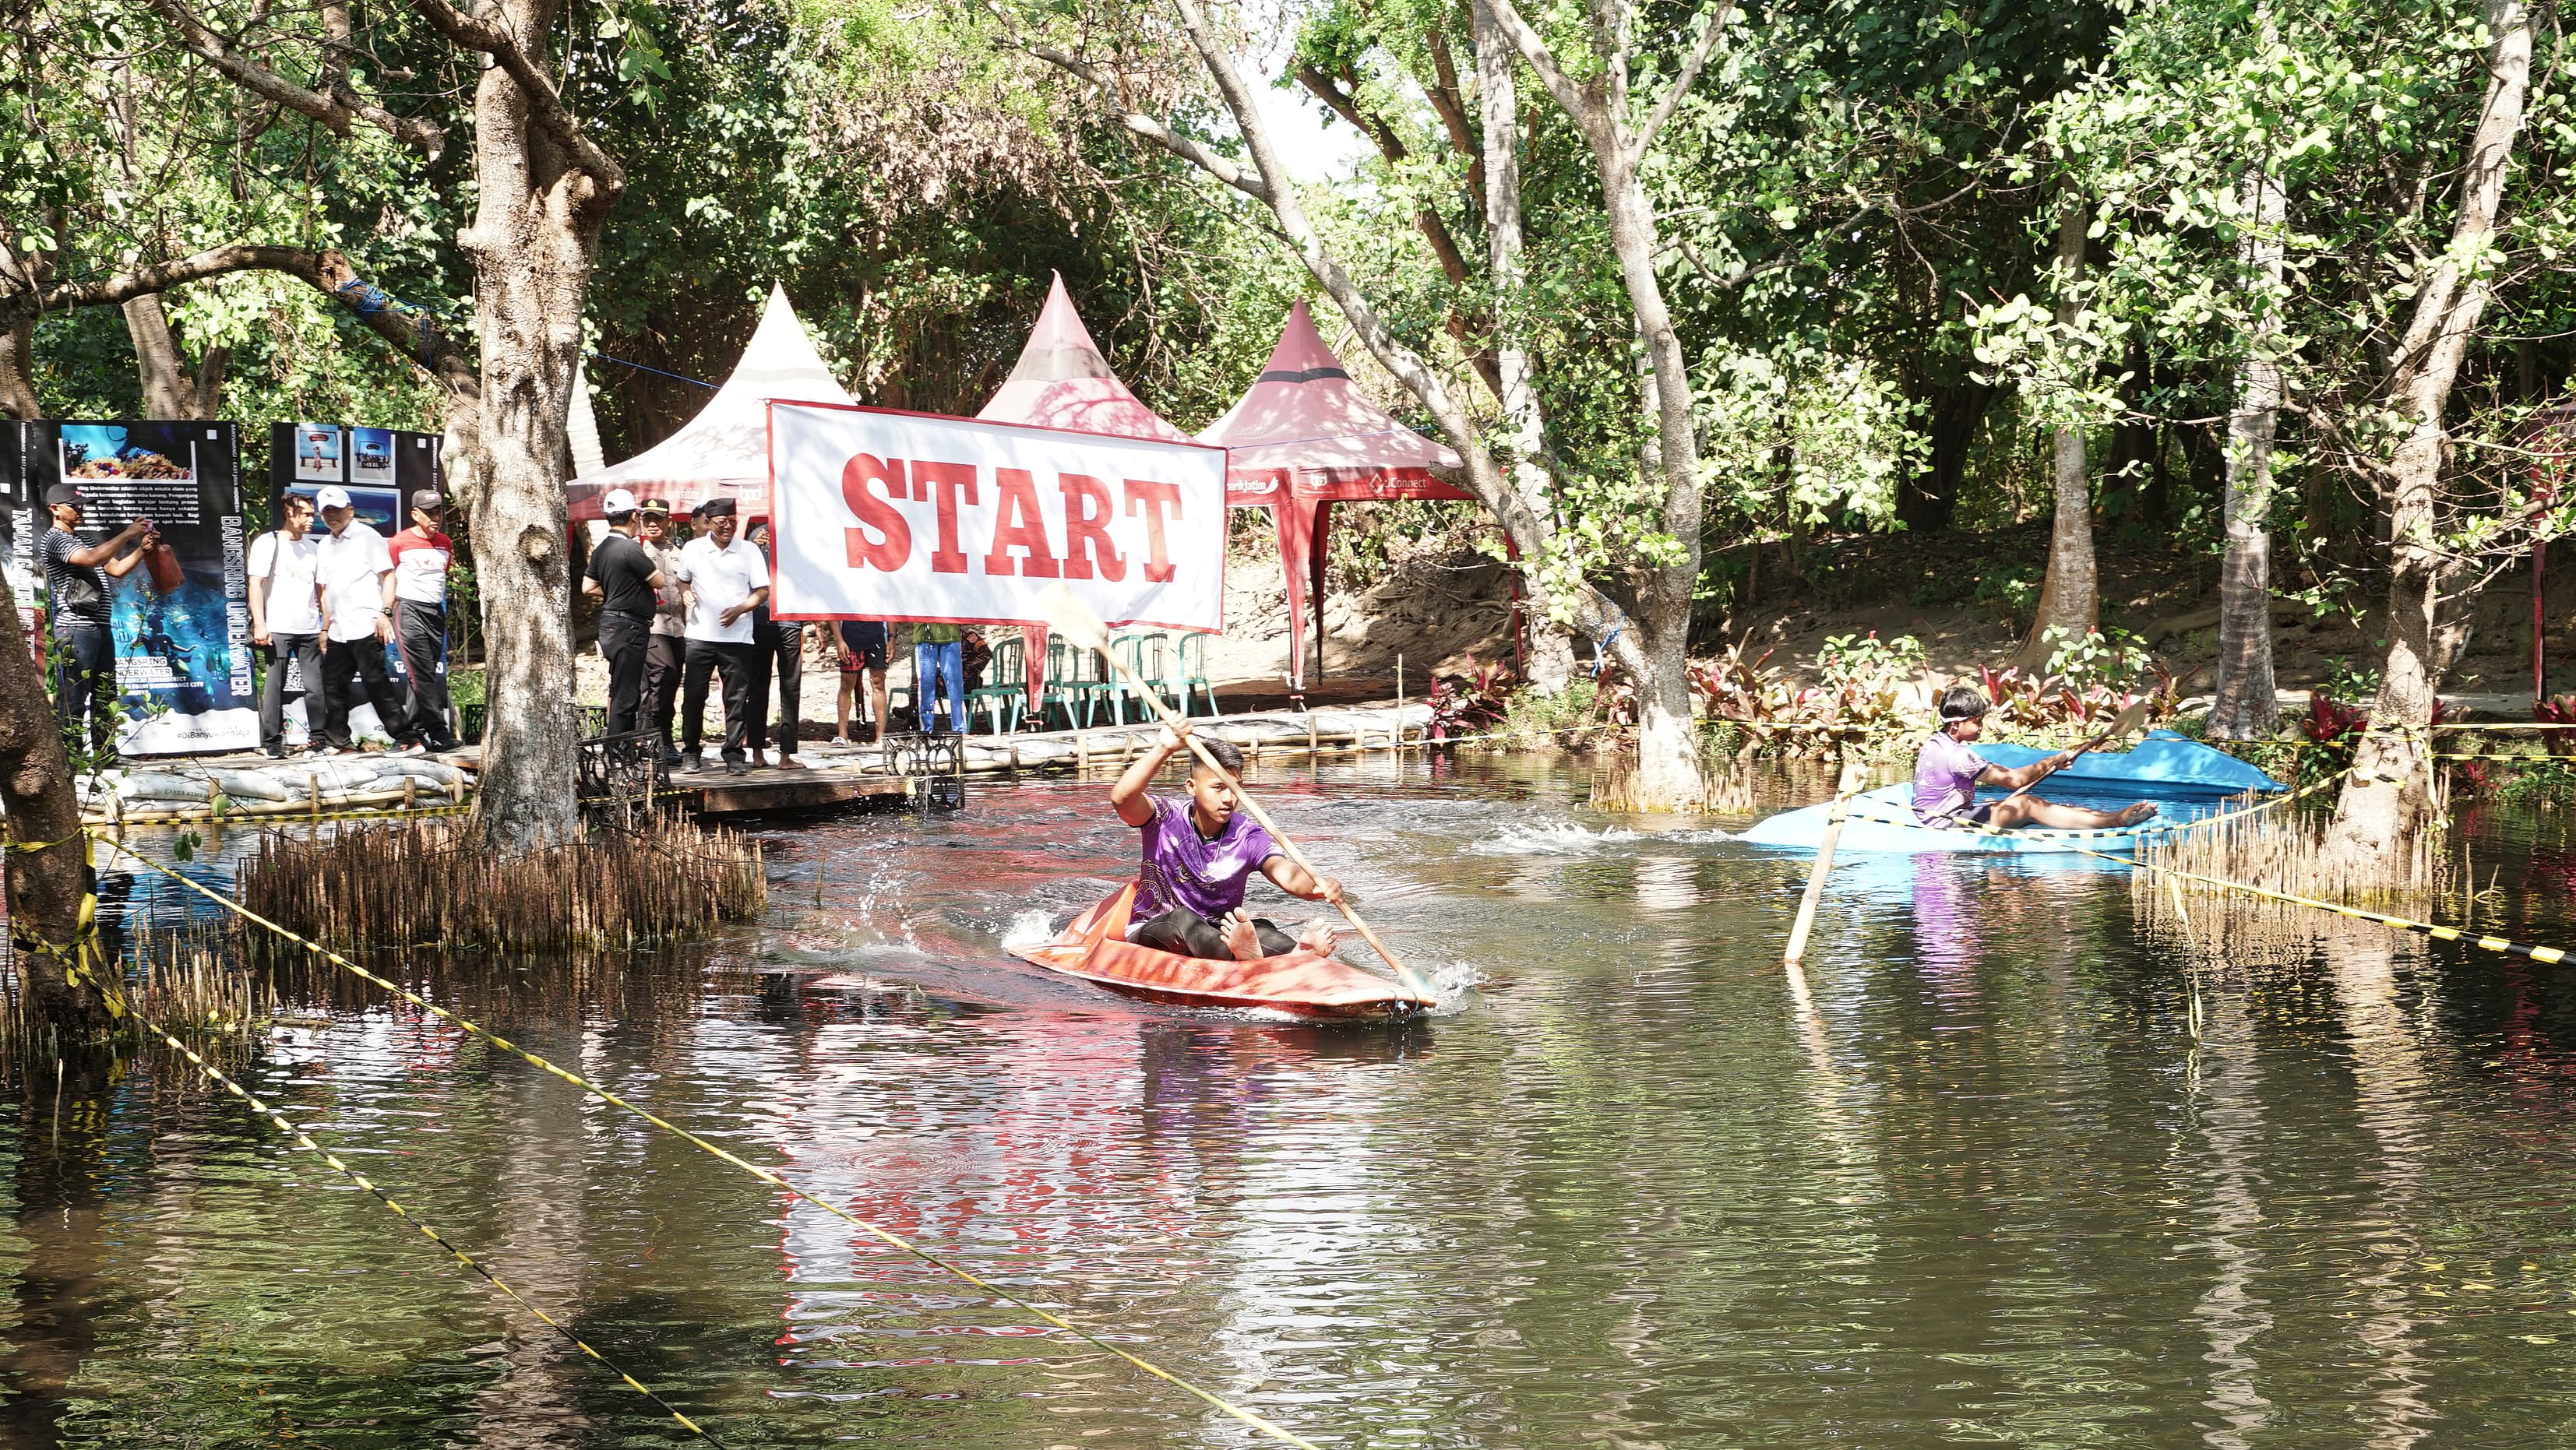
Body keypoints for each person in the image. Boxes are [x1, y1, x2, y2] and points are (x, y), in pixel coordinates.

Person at [1108, 721, 1344, 962]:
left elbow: (1285, 873)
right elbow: (1121, 798)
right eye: (1218, 788)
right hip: (1158, 928)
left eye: (1235, 788)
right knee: (1183, 920)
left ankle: (1298, 955)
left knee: (1260, 928)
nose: (1229, 798)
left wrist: (1316, 885)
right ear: (1192, 787)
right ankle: (1242, 957)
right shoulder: (1163, 816)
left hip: (1220, 933)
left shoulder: (1247, 834)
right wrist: (1164, 748)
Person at [1915, 685, 2157, 832]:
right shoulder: (1958, 754)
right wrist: (2052, 761)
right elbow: (2014, 781)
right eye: (1977, 722)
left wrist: (2052, 762)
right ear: (1956, 724)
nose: (1982, 728)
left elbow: (2001, 771)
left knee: (2008, 803)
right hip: (1946, 823)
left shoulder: (1934, 744)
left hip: (1947, 816)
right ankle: (2115, 821)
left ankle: (2110, 816)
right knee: (2027, 803)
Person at [39, 484, 154, 758]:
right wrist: (127, 533)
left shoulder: (85, 539)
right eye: (74, 505)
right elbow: (90, 560)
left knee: (105, 692)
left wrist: (142, 550)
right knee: (75, 697)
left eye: (83, 505)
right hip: (76, 628)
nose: (81, 510)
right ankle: (71, 758)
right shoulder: (55, 539)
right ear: (55, 509)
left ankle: (106, 753)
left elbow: (115, 569)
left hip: (99, 626)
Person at [314, 484, 425, 755]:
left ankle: (409, 739)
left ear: (350, 510)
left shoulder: (367, 536)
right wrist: (326, 627)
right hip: (339, 628)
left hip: (366, 622)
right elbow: (326, 590)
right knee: (333, 686)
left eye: (338, 510)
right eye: (327, 511)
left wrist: (385, 613)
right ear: (321, 515)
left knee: (377, 684)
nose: (333, 516)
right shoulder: (324, 545)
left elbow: (389, 576)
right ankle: (339, 743)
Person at [672, 497, 766, 776]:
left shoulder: (748, 550)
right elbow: (682, 578)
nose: (727, 527)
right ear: (709, 523)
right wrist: (685, 592)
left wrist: (740, 609)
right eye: (721, 522)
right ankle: (691, 752)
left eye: (732, 522)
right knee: (694, 696)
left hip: (738, 638)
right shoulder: (694, 548)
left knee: (736, 699)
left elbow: (762, 591)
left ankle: (734, 755)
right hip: (700, 635)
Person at [248, 492, 326, 758]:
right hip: (278, 626)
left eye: (312, 515)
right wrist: (260, 623)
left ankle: (318, 740)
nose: (310, 520)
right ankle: (272, 742)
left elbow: (321, 590)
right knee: (275, 686)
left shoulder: (314, 549)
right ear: (289, 514)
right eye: (305, 514)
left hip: (309, 628)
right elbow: (255, 585)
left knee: (315, 687)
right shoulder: (268, 543)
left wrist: (325, 625)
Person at [583, 487, 664, 737]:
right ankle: (620, 750)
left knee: (620, 686)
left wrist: (616, 592)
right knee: (626, 695)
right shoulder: (630, 549)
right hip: (629, 628)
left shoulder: (602, 549)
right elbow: (659, 581)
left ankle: (620, 747)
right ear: (633, 517)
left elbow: (588, 587)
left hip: (610, 625)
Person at [385, 488, 462, 751]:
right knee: (421, 674)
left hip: (434, 611)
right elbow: (388, 577)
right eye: (429, 513)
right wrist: (384, 611)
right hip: (408, 610)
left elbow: (443, 574)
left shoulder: (445, 543)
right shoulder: (398, 542)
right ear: (415, 514)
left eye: (438, 511)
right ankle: (439, 732)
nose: (435, 517)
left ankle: (413, 733)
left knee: (425, 674)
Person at [741, 520, 804, 770]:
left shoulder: (758, 536)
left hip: (777, 618)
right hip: (774, 618)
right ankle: (780, 756)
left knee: (761, 688)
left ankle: (764, 754)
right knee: (786, 688)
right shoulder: (760, 537)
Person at [636, 498, 687, 768]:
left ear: (669, 521)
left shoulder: (679, 552)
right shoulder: (636, 551)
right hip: (651, 626)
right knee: (662, 678)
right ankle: (655, 739)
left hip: (678, 627)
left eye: (658, 519)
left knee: (667, 684)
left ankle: (653, 739)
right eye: (648, 519)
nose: (653, 524)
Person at [832, 618, 890, 745]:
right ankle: (842, 735)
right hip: (850, 636)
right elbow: (833, 610)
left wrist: (892, 638)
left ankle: (881, 737)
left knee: (878, 684)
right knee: (846, 684)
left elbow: (890, 609)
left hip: (878, 636)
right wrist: (839, 640)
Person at [914, 621, 966, 733]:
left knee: (955, 685)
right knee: (926, 684)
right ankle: (926, 729)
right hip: (924, 636)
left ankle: (960, 729)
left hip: (951, 635)